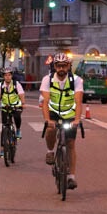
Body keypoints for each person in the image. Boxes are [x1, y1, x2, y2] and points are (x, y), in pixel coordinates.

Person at [40, 52, 84, 190]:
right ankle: (50, 151)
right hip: (53, 111)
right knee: (50, 129)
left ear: (69, 66)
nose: (61, 69)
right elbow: (46, 102)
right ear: (55, 66)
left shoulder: (76, 80)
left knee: (70, 144)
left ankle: (71, 177)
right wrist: (47, 120)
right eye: (58, 66)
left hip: (69, 113)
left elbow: (78, 101)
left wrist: (77, 119)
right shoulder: (47, 79)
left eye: (64, 66)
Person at [0, 68, 26, 156]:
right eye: (6, 75)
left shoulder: (16, 84)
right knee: (4, 127)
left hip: (16, 105)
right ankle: (2, 149)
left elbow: (21, 94)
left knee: (17, 116)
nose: (7, 77)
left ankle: (18, 130)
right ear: (3, 76)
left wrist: (23, 103)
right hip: (5, 106)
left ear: (11, 76)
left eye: (9, 75)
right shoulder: (0, 85)